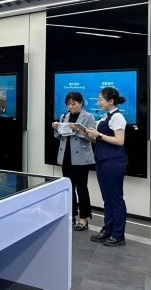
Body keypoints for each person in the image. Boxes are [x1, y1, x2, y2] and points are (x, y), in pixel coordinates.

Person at [85, 87, 128, 247]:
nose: (98, 102)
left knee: (115, 198)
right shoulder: (105, 116)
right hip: (103, 161)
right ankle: (107, 230)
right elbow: (100, 140)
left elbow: (119, 141)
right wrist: (86, 133)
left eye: (100, 100)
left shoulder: (118, 117)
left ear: (110, 101)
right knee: (107, 198)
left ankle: (118, 234)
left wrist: (99, 135)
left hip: (113, 162)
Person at [51, 91, 95, 231]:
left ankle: (84, 218)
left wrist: (78, 130)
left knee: (82, 188)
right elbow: (60, 136)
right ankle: (71, 216)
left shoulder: (89, 117)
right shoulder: (64, 116)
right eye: (68, 104)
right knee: (69, 187)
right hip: (66, 156)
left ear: (81, 103)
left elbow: (92, 138)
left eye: (73, 104)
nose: (71, 107)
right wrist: (56, 129)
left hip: (81, 158)